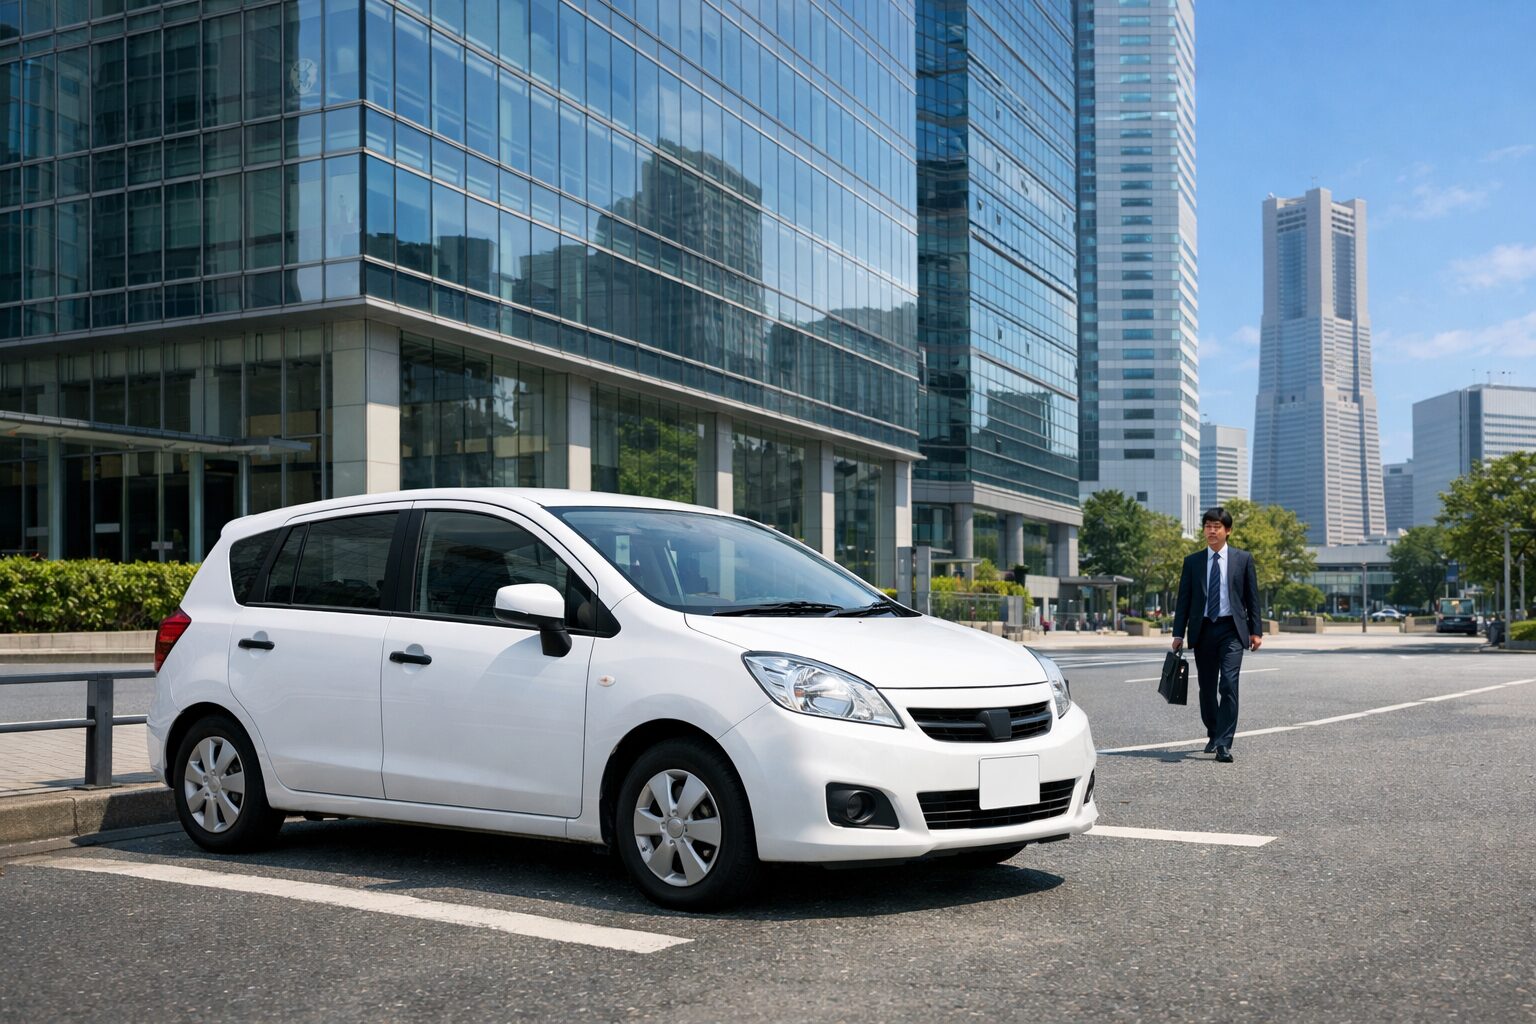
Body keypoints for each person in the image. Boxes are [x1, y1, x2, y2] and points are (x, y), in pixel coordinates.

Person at [1171, 506, 1262, 763]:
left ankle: (1224, 743)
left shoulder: (1243, 559)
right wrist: (1178, 633)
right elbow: (1184, 601)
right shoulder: (1192, 562)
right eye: (1208, 526)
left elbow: (1252, 598)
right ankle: (1213, 730)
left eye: (1217, 526)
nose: (1211, 530)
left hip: (1232, 630)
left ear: (1228, 531)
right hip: (1203, 630)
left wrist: (1256, 631)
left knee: (1229, 684)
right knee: (1207, 688)